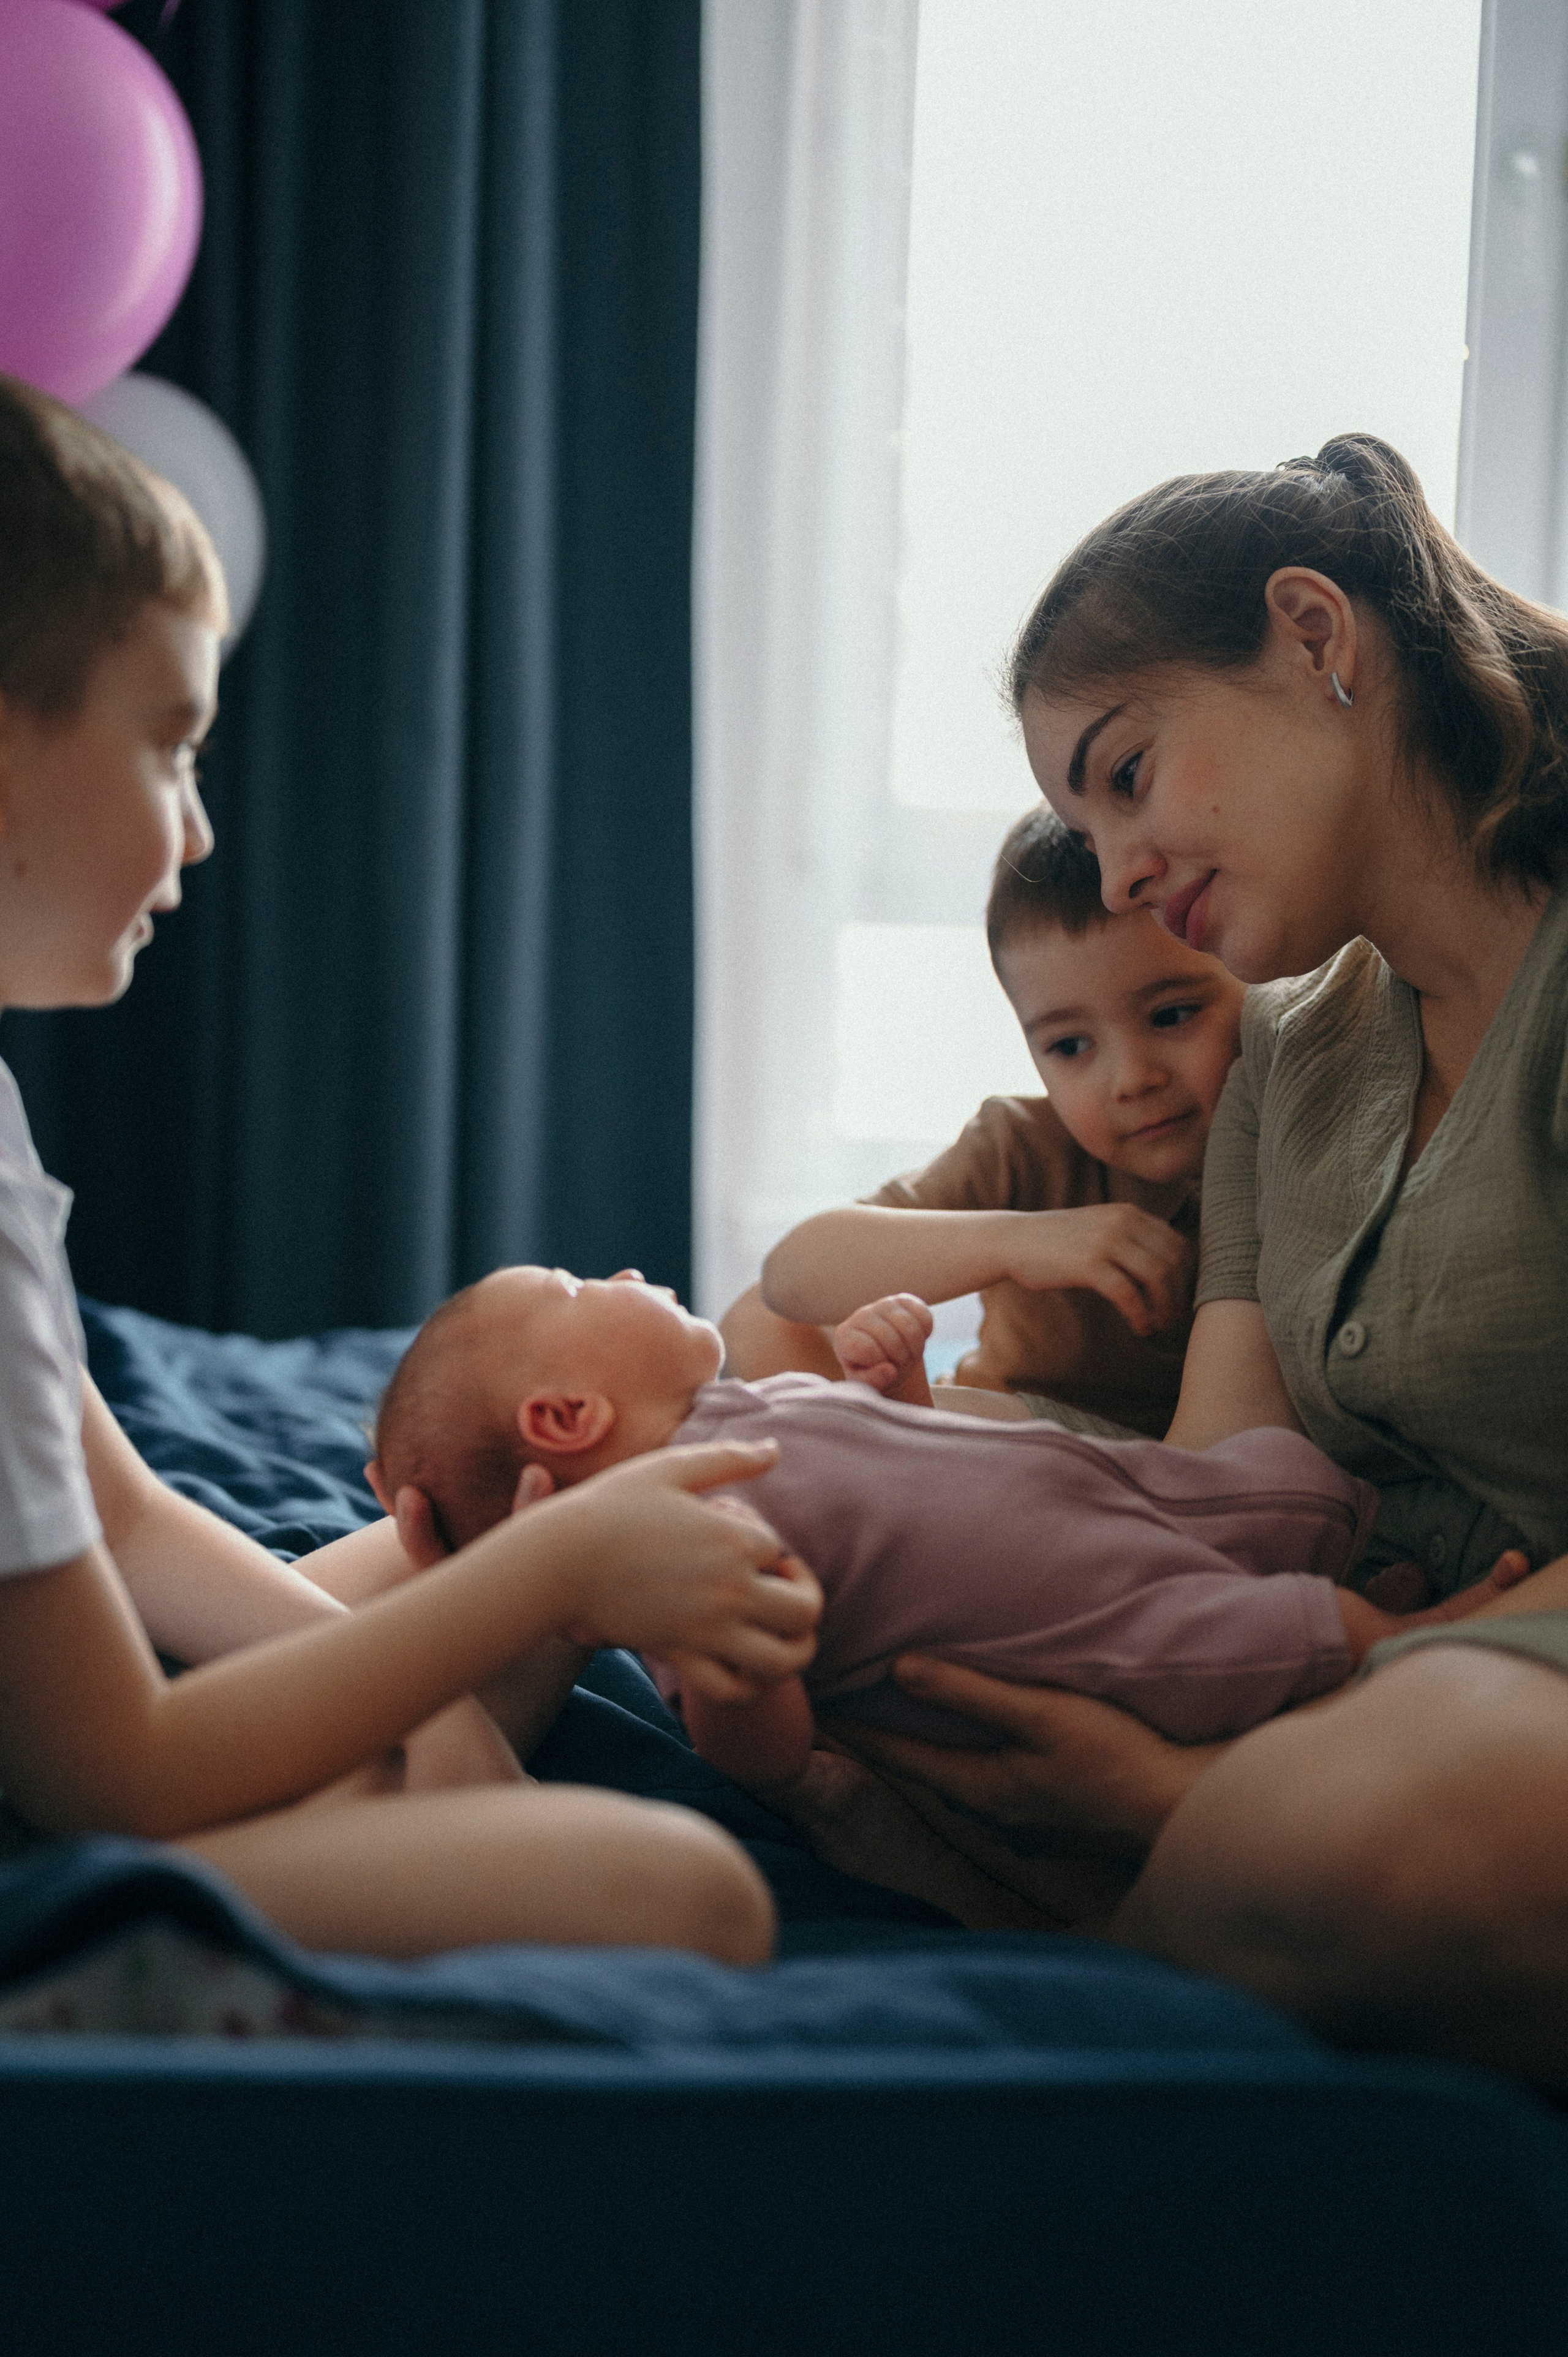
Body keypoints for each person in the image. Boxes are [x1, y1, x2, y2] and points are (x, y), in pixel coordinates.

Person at [0, 373, 820, 1966]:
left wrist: (444, 1690)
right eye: (172, 748)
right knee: (688, 1895)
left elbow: (129, 1516)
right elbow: (115, 1776)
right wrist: (550, 1573)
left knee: (468, 1544)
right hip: (57, 1833)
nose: (200, 832)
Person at [809, 432, 1568, 2081]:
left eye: (1128, 775)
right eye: (1081, 830)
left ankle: (1131, 1916)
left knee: (1360, 1824)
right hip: (1362, 1638)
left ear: (1315, 634)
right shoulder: (1288, 1047)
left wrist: (1205, 1770)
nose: (1119, 872)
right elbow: (1220, 1482)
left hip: (1477, 1673)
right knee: (834, 1534)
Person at [366, 1265, 1520, 1795]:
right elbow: (760, 1757)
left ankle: (1353, 1604)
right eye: (578, 1289)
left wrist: (901, 1390)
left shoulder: (742, 1412)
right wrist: (731, 1658)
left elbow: (903, 1482)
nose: (621, 1270)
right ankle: (1401, 1644)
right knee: (1255, 1631)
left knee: (1285, 1482)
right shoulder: (679, 1550)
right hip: (1083, 1622)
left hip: (1106, 1505)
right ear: (566, 1416)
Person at [721, 806, 1245, 1437]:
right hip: (994, 1440)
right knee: (760, 1320)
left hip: (1145, 1460)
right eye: (1069, 1046)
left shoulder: (1291, 1141)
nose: (1132, 1079)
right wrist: (1018, 1243)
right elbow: (790, 1274)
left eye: (1172, 1015)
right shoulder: (1022, 1145)